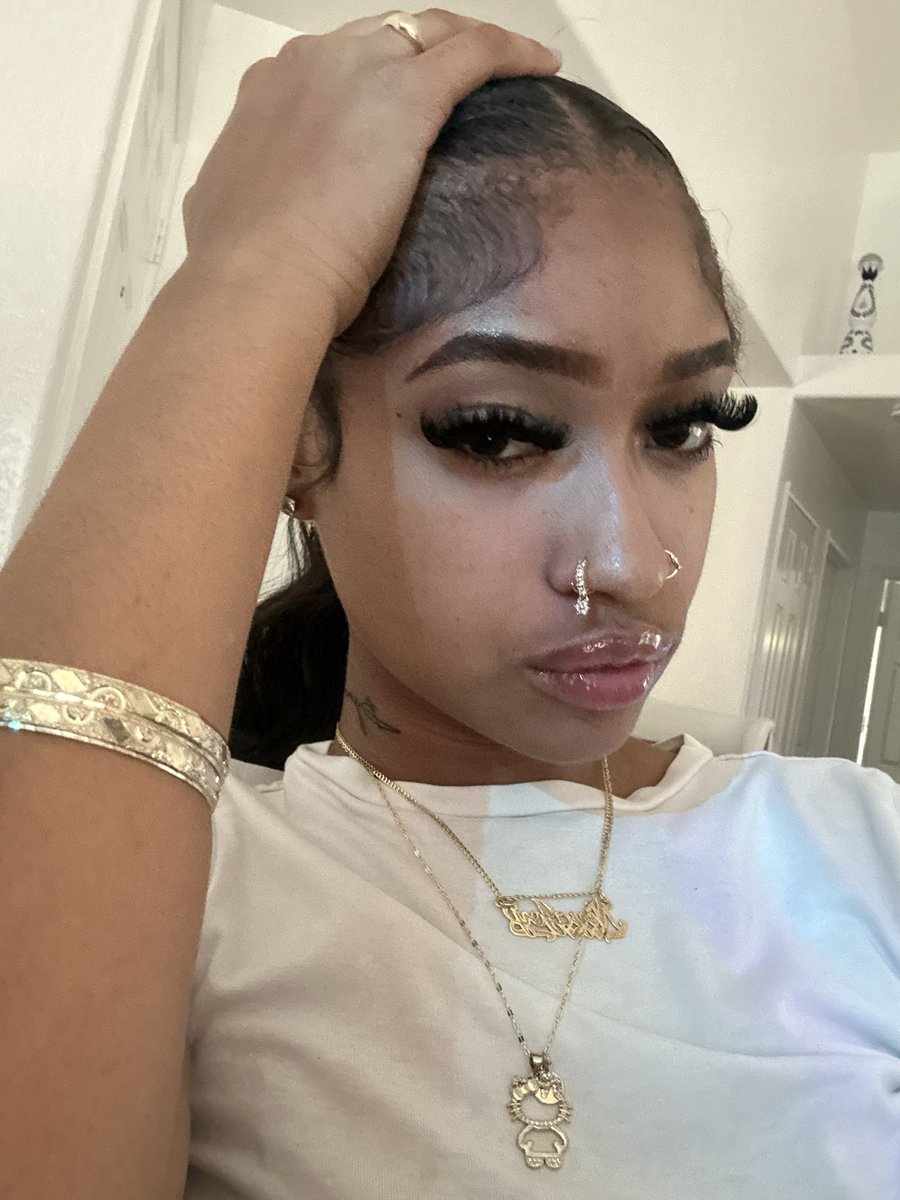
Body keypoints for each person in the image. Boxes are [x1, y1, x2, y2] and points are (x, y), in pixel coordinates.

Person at [0, 9, 897, 1199]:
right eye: (498, 430)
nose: (636, 565)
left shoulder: (858, 849)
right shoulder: (192, 889)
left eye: (686, 425)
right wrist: (254, 268)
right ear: (298, 442)